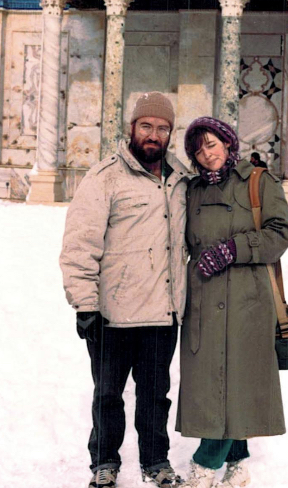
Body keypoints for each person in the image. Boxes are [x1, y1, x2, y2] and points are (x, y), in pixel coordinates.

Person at [59, 92, 193, 488]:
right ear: (131, 128)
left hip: (161, 311)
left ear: (171, 133)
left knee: (156, 396)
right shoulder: (105, 178)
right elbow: (80, 244)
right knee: (108, 396)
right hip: (111, 312)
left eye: (162, 128)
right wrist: (84, 303)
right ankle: (104, 462)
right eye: (146, 126)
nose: (154, 134)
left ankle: (156, 462)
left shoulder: (181, 181)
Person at [176, 117, 288, 488]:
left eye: (212, 144)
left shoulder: (259, 182)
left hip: (247, 302)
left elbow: (281, 233)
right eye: (198, 149)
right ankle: (237, 463)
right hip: (204, 301)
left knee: (233, 382)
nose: (206, 154)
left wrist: (233, 249)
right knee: (217, 384)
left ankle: (204, 464)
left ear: (228, 143)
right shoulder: (192, 190)